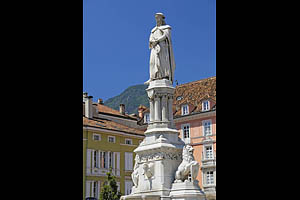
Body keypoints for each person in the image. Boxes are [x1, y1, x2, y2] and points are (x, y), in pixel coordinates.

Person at [145, 13, 175, 85]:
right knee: (152, 62)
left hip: (163, 47)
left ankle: (163, 76)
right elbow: (150, 38)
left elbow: (166, 35)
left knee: (162, 61)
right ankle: (153, 77)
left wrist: (157, 40)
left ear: (162, 19)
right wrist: (153, 41)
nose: (157, 20)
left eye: (158, 18)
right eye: (156, 18)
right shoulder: (153, 30)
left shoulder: (166, 28)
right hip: (154, 47)